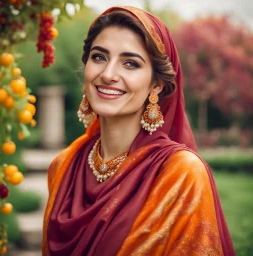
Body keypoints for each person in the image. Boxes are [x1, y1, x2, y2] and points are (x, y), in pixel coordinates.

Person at [42, 6, 235, 256]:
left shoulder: (181, 174)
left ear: (156, 85)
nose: (108, 74)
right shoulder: (64, 165)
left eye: (130, 63)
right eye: (99, 57)